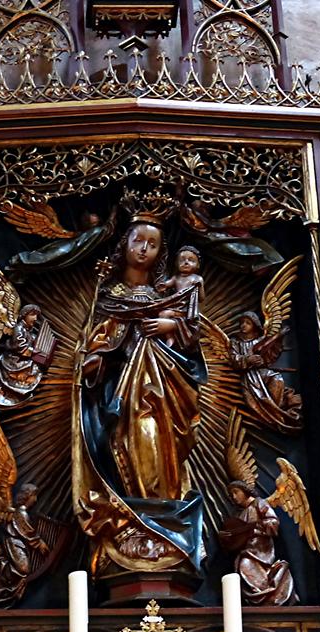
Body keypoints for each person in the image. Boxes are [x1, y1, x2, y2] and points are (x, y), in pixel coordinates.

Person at [73, 217, 207, 573]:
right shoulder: (109, 295)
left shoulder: (168, 295)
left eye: (153, 244)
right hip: (121, 393)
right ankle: (136, 519)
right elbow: (94, 343)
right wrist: (96, 356)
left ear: (162, 252)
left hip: (163, 391)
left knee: (159, 445)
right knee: (131, 443)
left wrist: (171, 325)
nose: (144, 249)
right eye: (138, 241)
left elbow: (191, 342)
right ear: (124, 245)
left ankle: (161, 517)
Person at [218, 481, 297, 606]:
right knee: (243, 566)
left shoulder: (259, 503)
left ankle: (265, 592)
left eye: (236, 492)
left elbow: (273, 521)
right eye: (231, 494)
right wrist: (228, 537)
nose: (233, 497)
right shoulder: (241, 513)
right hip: (247, 550)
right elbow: (237, 536)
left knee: (245, 564)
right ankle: (261, 594)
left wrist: (256, 527)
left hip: (261, 550)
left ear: (245, 491)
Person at [229, 311, 302, 434]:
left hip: (262, 371)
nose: (243, 325)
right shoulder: (236, 342)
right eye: (242, 323)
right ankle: (276, 416)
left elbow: (271, 353)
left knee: (277, 378)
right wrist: (247, 359)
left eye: (248, 323)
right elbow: (233, 359)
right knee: (258, 398)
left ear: (255, 325)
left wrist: (278, 338)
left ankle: (276, 410)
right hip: (249, 377)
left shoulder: (261, 340)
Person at [0, 483, 49, 605]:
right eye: (34, 496)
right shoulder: (20, 513)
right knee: (23, 568)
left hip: (18, 544)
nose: (35, 500)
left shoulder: (22, 512)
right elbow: (27, 532)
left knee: (23, 568)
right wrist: (40, 543)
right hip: (13, 544)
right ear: (27, 496)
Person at [0, 304, 46, 411]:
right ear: (24, 315)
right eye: (32, 315)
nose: (35, 318)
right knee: (33, 368)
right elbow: (19, 345)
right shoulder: (18, 328)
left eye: (36, 316)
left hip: (23, 360)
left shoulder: (28, 330)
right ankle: (9, 392)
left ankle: (18, 393)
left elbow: (30, 340)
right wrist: (33, 351)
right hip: (14, 361)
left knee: (35, 369)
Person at [156, 246, 205, 348]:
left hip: (187, 309)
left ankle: (176, 333)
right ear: (176, 264)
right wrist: (162, 286)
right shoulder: (176, 278)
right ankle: (170, 337)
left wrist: (199, 286)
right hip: (175, 306)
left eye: (191, 260)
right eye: (182, 260)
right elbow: (166, 284)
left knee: (166, 313)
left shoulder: (197, 279)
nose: (186, 262)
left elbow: (201, 298)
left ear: (198, 265)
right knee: (163, 314)